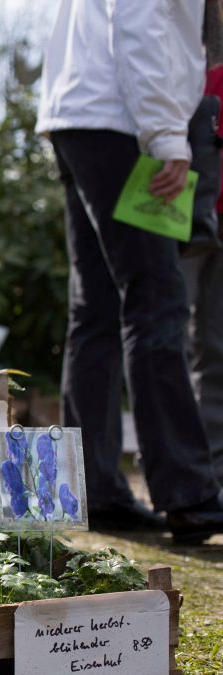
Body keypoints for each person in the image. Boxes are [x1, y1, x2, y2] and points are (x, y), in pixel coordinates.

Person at [38, 0, 223, 542]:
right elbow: (141, 26)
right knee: (157, 298)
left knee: (97, 308)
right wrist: (168, 136)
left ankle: (95, 490)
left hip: (78, 119)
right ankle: (188, 493)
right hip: (124, 124)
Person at [179, 63, 223, 482]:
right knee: (171, 336)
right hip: (183, 209)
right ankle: (185, 465)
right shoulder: (197, 63)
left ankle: (212, 468)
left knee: (214, 344)